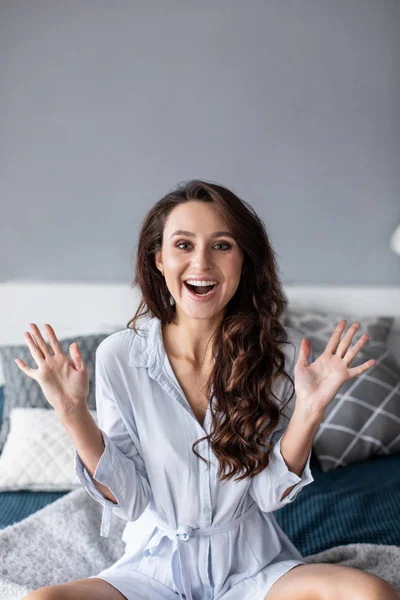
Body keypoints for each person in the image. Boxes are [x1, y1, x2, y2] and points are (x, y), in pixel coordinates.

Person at [19, 180, 398, 600]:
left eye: (222, 245)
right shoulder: (119, 356)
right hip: (152, 571)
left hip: (252, 569)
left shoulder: (278, 356)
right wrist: (73, 414)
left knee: (371, 593)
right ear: (158, 259)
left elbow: (270, 495)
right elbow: (129, 500)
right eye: (183, 245)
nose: (201, 262)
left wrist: (310, 408)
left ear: (244, 262)